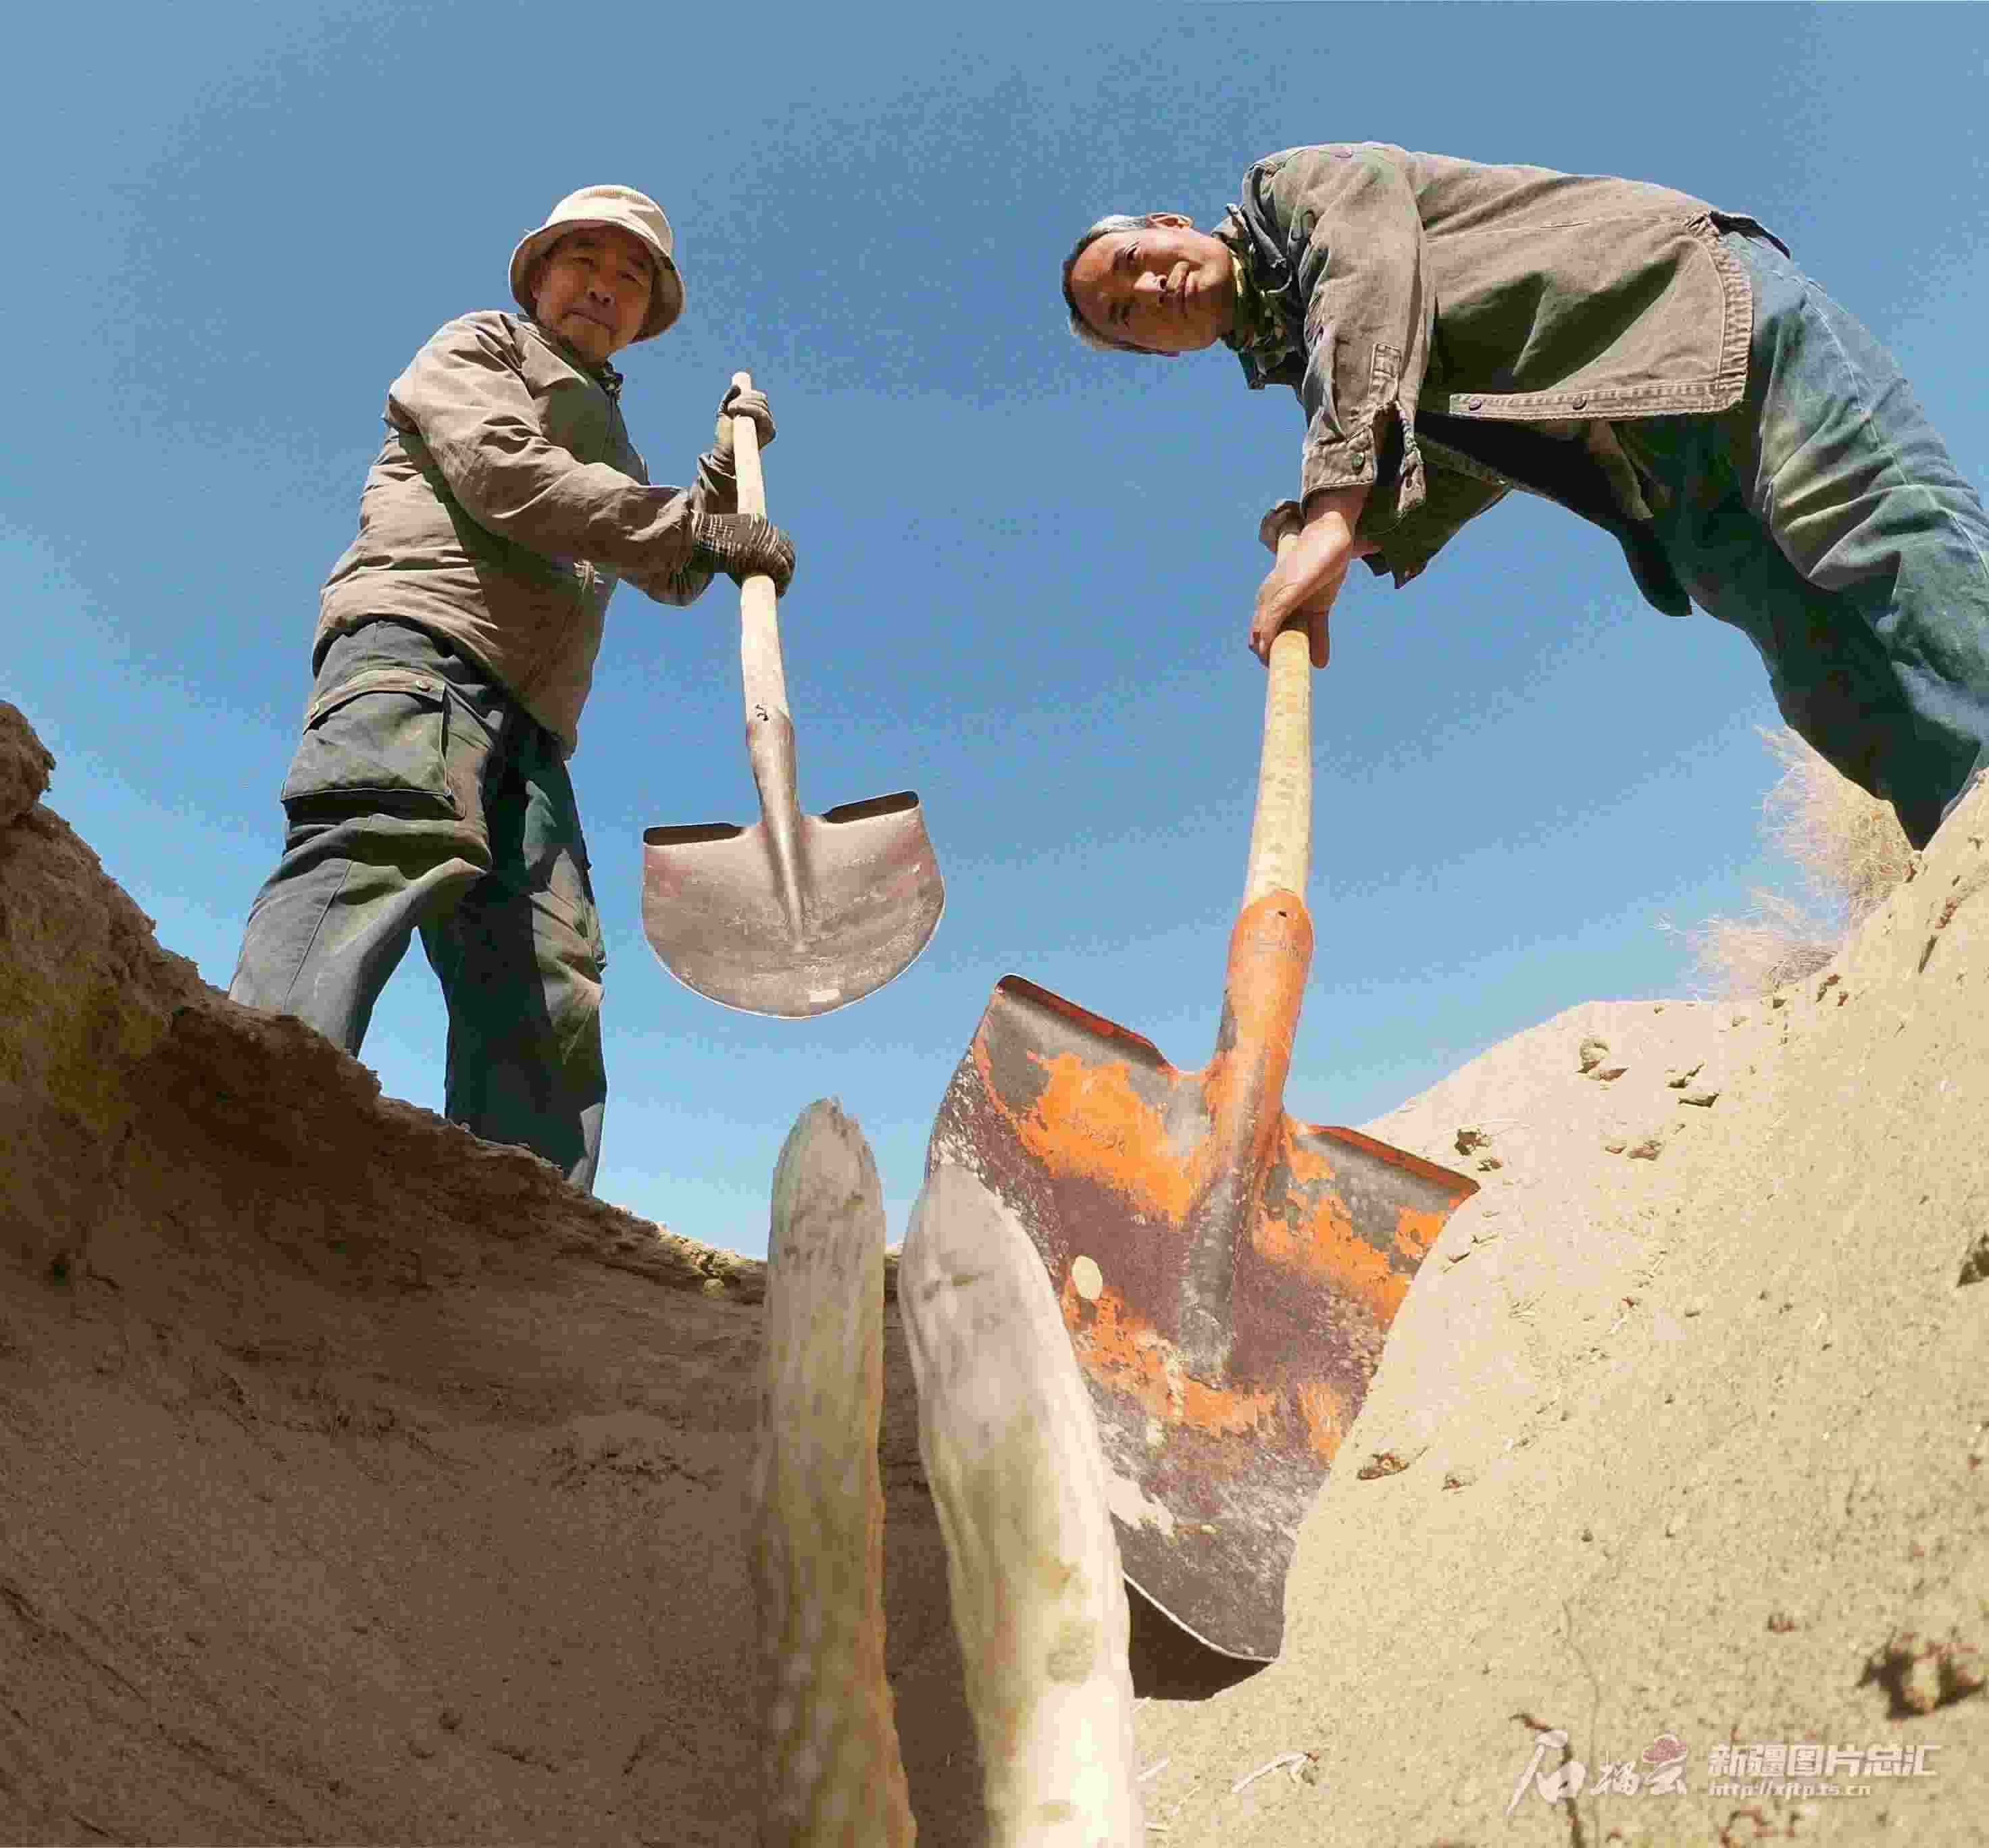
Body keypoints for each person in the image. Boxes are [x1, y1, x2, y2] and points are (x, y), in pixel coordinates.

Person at [1061, 145, 1989, 854]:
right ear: (1159, 355)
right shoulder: (1317, 361)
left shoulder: (1293, 192)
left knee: (1873, 532)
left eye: (1135, 259)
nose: (1148, 287)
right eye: (1126, 314)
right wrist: (1363, 534)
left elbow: (1368, 277)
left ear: (1170, 223)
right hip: (1649, 462)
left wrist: (1334, 506)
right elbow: (1467, 459)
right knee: (1820, 673)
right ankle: (1961, 865)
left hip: (1691, 314)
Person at [228, 184, 796, 1193]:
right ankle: (242, 1130)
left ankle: (527, 1225)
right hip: (423, 650)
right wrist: (691, 526)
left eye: (631, 278)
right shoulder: (479, 347)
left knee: (545, 968)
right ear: (539, 276)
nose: (604, 287)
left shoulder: (611, 437)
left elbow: (663, 564)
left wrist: (718, 476)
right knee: (377, 848)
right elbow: (506, 472)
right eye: (585, 262)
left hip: (534, 725)